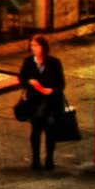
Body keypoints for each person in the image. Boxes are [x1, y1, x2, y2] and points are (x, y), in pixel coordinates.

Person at [17, 35, 73, 172]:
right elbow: (22, 78)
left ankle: (49, 159)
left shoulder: (54, 63)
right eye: (32, 46)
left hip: (50, 102)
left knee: (50, 131)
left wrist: (51, 90)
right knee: (36, 130)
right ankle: (36, 159)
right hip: (35, 102)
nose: (34, 48)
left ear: (43, 47)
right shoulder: (29, 62)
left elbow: (61, 84)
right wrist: (30, 82)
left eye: (36, 45)